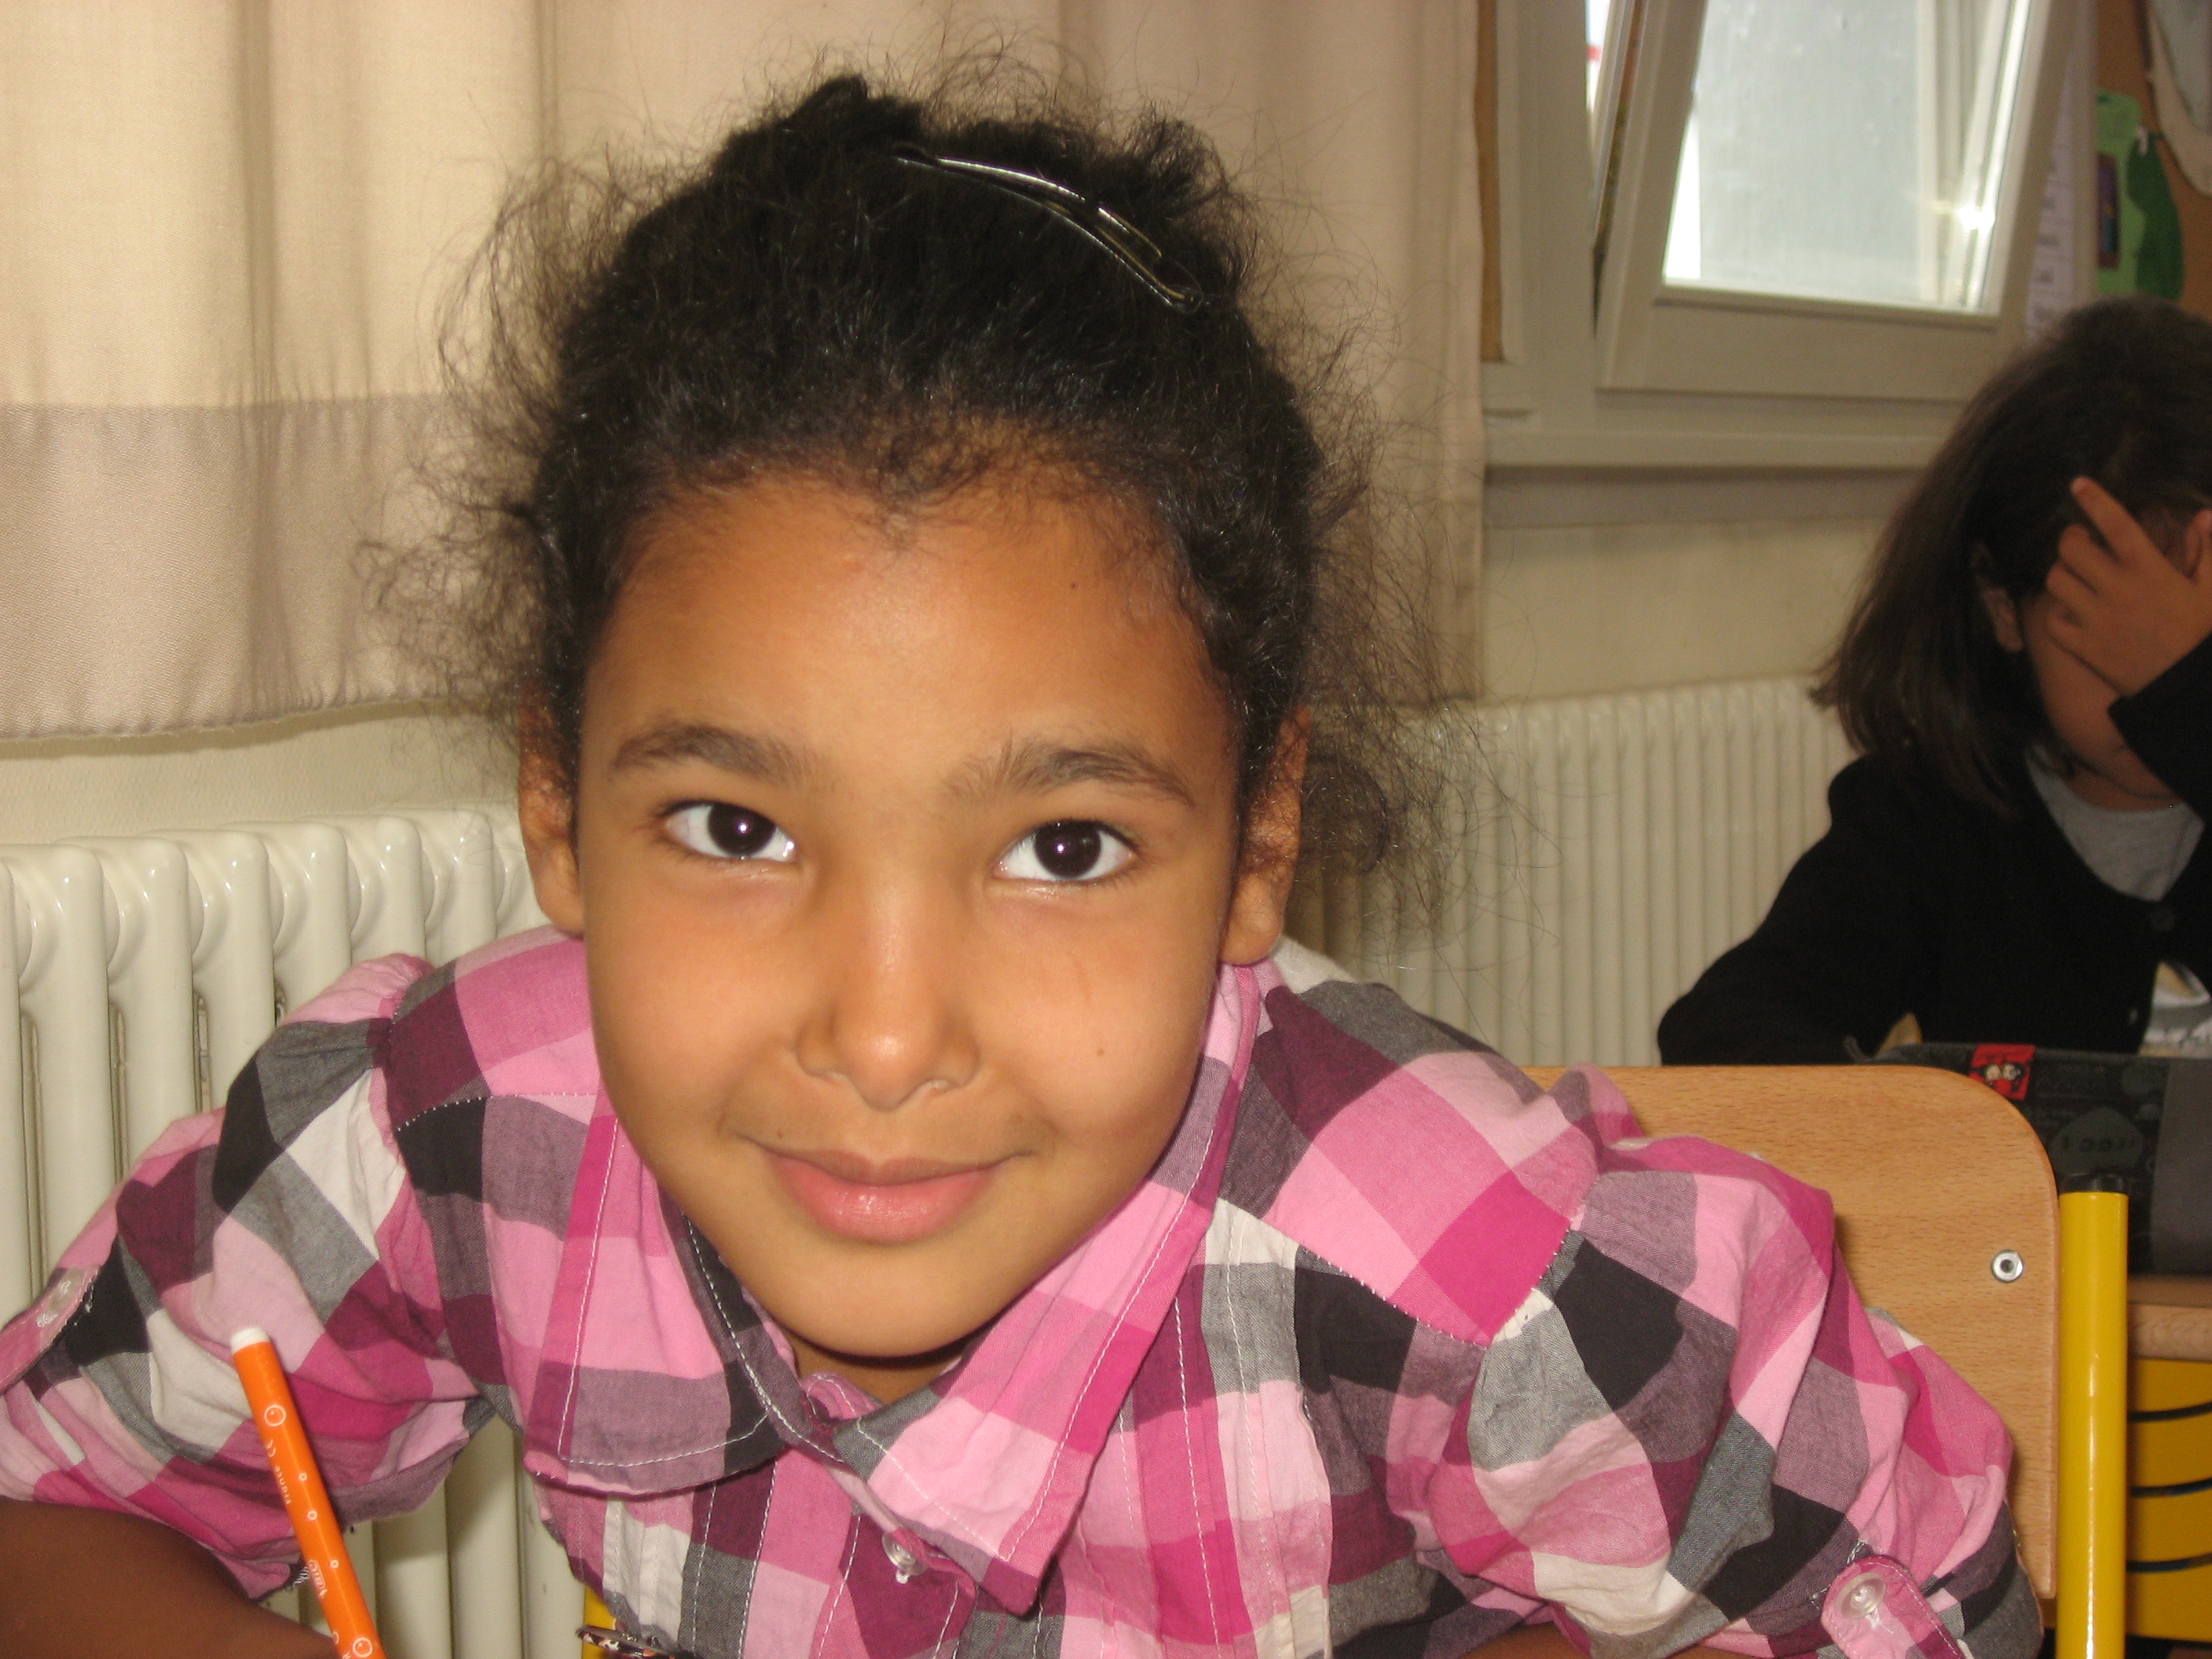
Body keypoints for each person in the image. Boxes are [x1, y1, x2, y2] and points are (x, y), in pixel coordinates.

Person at [0, 71, 2031, 1659]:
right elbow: (51, 1505)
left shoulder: (1468, 1279)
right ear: (558, 801)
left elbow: (1922, 1599)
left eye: (1063, 847)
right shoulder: (443, 1140)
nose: (885, 1038)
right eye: (737, 830)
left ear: (1257, 845)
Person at [1660, 296, 2212, 1067]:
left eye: (2188, 631)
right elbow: (1728, 1028)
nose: (2147, 674)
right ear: (2003, 610)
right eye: (2103, 628)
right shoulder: (1928, 816)